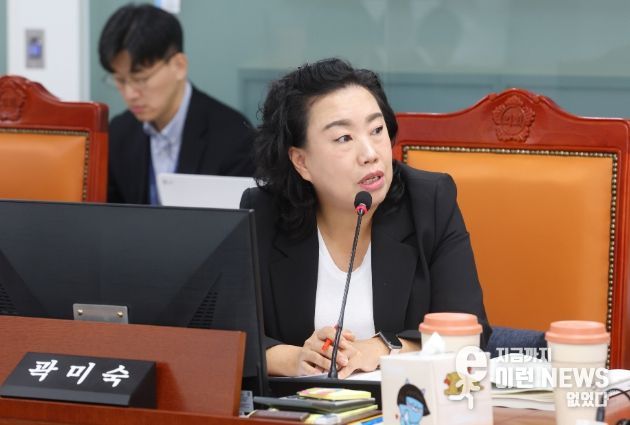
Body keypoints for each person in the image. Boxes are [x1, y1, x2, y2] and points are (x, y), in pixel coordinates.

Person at [240, 58, 491, 378]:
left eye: (376, 130)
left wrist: (382, 348)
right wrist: (293, 358)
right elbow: (222, 335)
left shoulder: (429, 203)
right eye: (344, 138)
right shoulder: (264, 213)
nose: (370, 153)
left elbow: (469, 332)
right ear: (301, 161)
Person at [99, 4, 254, 204]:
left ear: (179, 66)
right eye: (120, 80)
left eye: (140, 79)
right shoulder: (119, 133)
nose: (130, 94)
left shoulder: (234, 136)